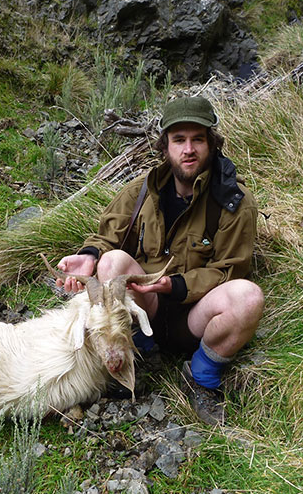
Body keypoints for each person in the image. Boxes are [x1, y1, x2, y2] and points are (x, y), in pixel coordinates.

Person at [55, 96, 264, 425]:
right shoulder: (141, 191)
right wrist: (87, 257)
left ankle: (202, 376)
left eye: (197, 139)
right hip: (144, 308)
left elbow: (231, 269)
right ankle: (136, 354)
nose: (188, 149)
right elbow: (107, 237)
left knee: (248, 296)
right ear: (164, 146)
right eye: (179, 140)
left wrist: (178, 286)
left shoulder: (234, 201)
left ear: (212, 143)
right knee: (112, 263)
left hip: (195, 317)